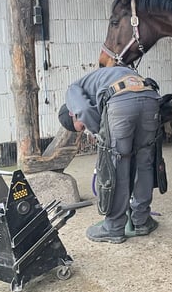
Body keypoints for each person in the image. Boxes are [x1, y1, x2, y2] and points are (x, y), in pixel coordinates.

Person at [58, 66, 163, 244]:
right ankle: (142, 220)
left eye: (82, 127)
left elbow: (83, 110)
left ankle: (113, 228)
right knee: (144, 162)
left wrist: (100, 134)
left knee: (117, 166)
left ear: (71, 112)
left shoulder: (72, 91)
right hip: (150, 98)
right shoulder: (100, 79)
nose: (86, 131)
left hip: (121, 103)